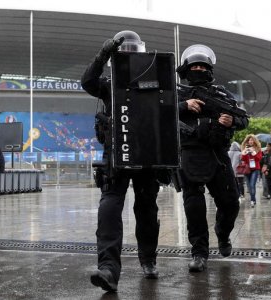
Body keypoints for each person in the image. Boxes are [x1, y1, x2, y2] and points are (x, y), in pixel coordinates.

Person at [81, 30, 162, 292]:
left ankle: (148, 259)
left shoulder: (154, 79)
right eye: (122, 51)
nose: (128, 54)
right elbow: (87, 82)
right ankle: (108, 270)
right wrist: (102, 55)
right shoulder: (108, 83)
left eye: (131, 50)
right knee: (109, 209)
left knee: (147, 209)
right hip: (116, 154)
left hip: (147, 153)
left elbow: (171, 104)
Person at [176, 44, 248, 272]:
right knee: (193, 208)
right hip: (189, 155)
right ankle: (199, 253)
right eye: (194, 66)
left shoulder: (222, 94)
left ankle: (223, 232)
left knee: (230, 203)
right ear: (187, 70)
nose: (198, 69)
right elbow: (158, 113)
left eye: (202, 66)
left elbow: (243, 118)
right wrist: (183, 105)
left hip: (217, 155)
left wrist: (231, 122)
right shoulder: (176, 93)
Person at [241, 134, 263, 207]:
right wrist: (245, 152)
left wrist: (253, 152)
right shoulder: (245, 148)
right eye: (249, 140)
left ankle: (252, 200)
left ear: (254, 141)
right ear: (247, 141)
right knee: (249, 186)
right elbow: (243, 159)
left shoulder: (258, 149)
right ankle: (253, 199)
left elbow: (258, 159)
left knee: (252, 185)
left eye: (252, 140)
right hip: (247, 169)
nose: (251, 141)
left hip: (255, 169)